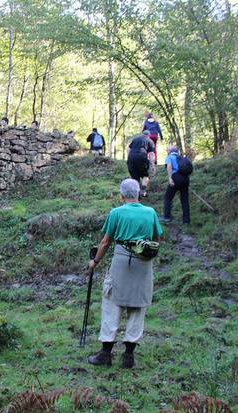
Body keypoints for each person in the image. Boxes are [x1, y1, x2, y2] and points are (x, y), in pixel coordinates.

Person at [86, 178, 163, 369]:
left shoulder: (116, 213)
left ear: (121, 195)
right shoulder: (150, 212)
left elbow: (105, 242)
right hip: (144, 264)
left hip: (121, 261)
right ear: (138, 194)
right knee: (138, 307)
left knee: (112, 303)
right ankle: (129, 357)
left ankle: (105, 354)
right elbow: (156, 238)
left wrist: (95, 262)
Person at [162, 145, 190, 224]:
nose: (167, 152)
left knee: (168, 197)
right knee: (185, 200)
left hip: (175, 177)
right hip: (185, 178)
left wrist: (170, 178)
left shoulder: (170, 157)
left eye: (167, 150)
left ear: (170, 151)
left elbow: (169, 166)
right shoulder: (182, 158)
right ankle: (186, 221)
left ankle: (167, 217)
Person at [127, 130, 156, 198]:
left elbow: (128, 149)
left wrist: (129, 158)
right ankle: (143, 190)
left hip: (131, 157)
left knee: (135, 177)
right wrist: (152, 165)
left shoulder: (135, 139)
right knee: (145, 175)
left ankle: (137, 194)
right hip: (142, 157)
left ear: (142, 134)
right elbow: (151, 154)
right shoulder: (150, 141)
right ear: (149, 135)